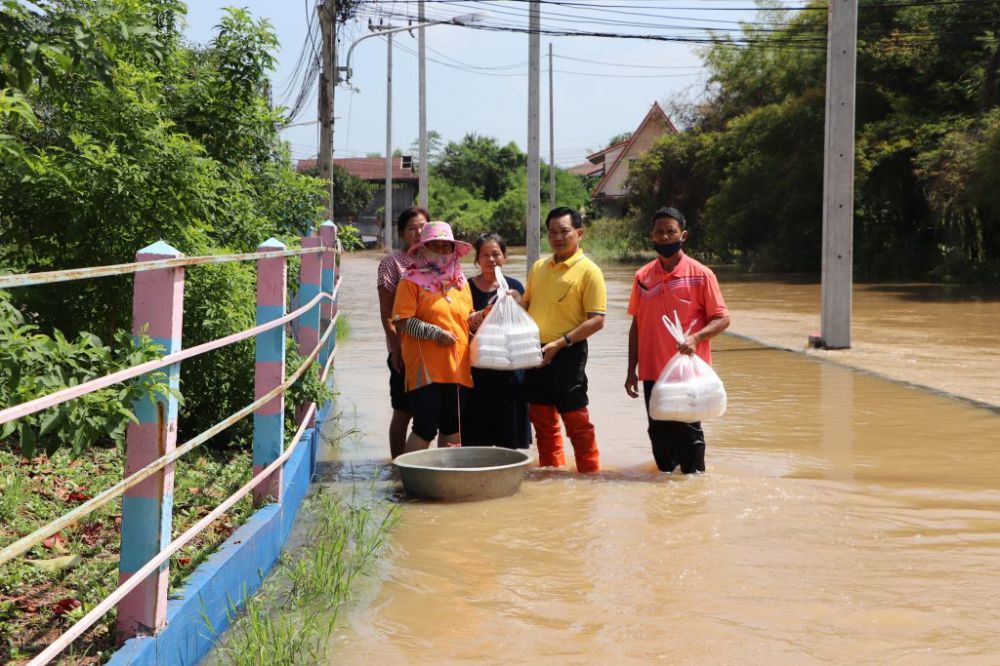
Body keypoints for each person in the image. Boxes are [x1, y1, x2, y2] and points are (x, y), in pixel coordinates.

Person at [624, 207, 731, 474]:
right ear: (651, 235)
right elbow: (637, 325)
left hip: (687, 373)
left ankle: (694, 485)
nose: (664, 237)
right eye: (659, 232)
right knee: (658, 432)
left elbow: (722, 319)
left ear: (683, 235)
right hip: (652, 371)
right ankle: (667, 487)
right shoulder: (642, 277)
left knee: (688, 432)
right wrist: (631, 370)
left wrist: (696, 338)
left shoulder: (701, 275)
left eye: (670, 231)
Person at [522, 207, 606, 473]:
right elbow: (526, 305)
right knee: (542, 421)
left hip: (568, 350)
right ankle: (552, 476)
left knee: (576, 421)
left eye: (564, 231)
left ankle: (590, 476)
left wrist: (561, 343)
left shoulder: (589, 271)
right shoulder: (539, 267)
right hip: (535, 352)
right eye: (552, 232)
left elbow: (597, 320)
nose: (558, 237)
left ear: (579, 233)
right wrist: (507, 301)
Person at [392, 221, 474, 453]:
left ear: (454, 250)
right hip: (425, 369)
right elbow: (401, 320)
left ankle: (447, 473)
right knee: (425, 427)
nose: (441, 251)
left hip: (457, 366)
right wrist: (434, 333)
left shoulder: (461, 282)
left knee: (452, 425)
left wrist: (484, 316)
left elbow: (467, 319)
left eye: (445, 246)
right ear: (422, 249)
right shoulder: (410, 280)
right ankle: (410, 474)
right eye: (434, 246)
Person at [461, 232, 532, 449]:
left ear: (505, 257)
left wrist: (518, 302)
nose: (491, 259)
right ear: (477, 259)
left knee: (509, 439)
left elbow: (523, 325)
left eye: (496, 254)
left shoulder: (514, 287)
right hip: (477, 371)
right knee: (477, 438)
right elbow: (462, 324)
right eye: (485, 255)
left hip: (509, 370)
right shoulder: (466, 287)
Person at [377, 207, 428, 458]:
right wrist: (396, 350)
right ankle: (397, 465)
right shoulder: (392, 263)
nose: (418, 233)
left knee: (430, 412)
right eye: (412, 228)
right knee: (403, 410)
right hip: (404, 350)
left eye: (422, 227)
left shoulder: (438, 259)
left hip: (433, 350)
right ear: (401, 233)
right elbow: (388, 313)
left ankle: (422, 462)